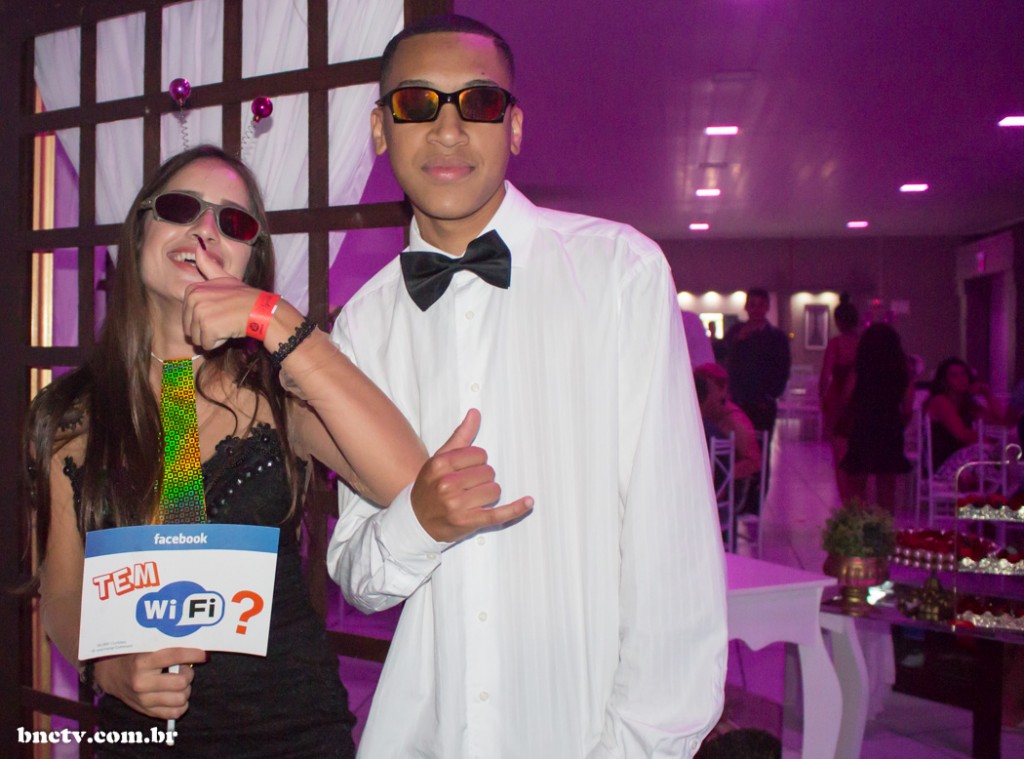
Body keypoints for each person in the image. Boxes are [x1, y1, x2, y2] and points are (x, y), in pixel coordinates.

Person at [325, 15, 727, 758]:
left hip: (583, 734)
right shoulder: (360, 327)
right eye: (416, 103)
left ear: (513, 126)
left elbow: (674, 560)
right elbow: (358, 576)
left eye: (478, 102)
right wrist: (419, 521)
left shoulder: (620, 275)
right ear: (380, 129)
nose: (448, 129)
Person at [24, 146, 427, 757]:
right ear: (139, 232)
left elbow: (408, 480)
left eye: (233, 222)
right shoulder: (69, 416)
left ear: (250, 262)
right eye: (181, 207)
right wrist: (104, 666)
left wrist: (277, 320)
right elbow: (60, 591)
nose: (205, 230)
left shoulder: (280, 392)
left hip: (290, 736)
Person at [838, 323, 913, 510]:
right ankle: (883, 525)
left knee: (857, 484)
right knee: (886, 487)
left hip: (863, 425)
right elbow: (907, 409)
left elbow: (845, 399)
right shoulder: (902, 372)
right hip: (890, 427)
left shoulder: (859, 369)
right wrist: (900, 425)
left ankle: (858, 523)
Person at [722, 288, 790, 490]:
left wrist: (770, 395)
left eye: (761, 305)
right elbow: (723, 359)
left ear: (767, 307)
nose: (756, 310)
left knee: (760, 452)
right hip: (737, 403)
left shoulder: (776, 337)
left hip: (762, 405)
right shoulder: (735, 333)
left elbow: (782, 369)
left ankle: (756, 500)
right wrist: (738, 341)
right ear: (746, 307)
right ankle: (736, 497)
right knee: (736, 452)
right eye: (752, 305)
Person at [923, 357, 1008, 481]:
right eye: (954, 376)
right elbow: (962, 434)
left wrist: (987, 394)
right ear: (944, 381)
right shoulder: (940, 401)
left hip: (964, 461)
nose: (961, 379)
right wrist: (991, 442)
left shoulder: (968, 404)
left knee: (1004, 456)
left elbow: (1000, 421)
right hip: (943, 464)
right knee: (987, 452)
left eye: (964, 374)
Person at [819, 293, 859, 496]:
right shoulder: (863, 342)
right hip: (860, 401)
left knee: (841, 455)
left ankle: (846, 501)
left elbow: (825, 375)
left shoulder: (836, 344)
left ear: (838, 321)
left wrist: (822, 400)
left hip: (839, 400)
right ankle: (859, 499)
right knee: (859, 456)